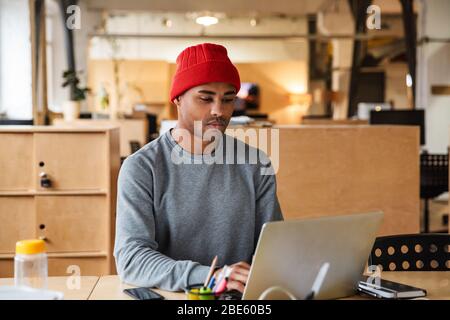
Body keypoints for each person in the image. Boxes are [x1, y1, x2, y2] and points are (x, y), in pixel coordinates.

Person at [114, 43, 283, 293]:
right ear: (178, 99)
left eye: (228, 99)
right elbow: (131, 259)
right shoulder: (141, 168)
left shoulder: (256, 164)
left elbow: (274, 248)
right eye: (205, 98)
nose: (219, 111)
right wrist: (210, 276)